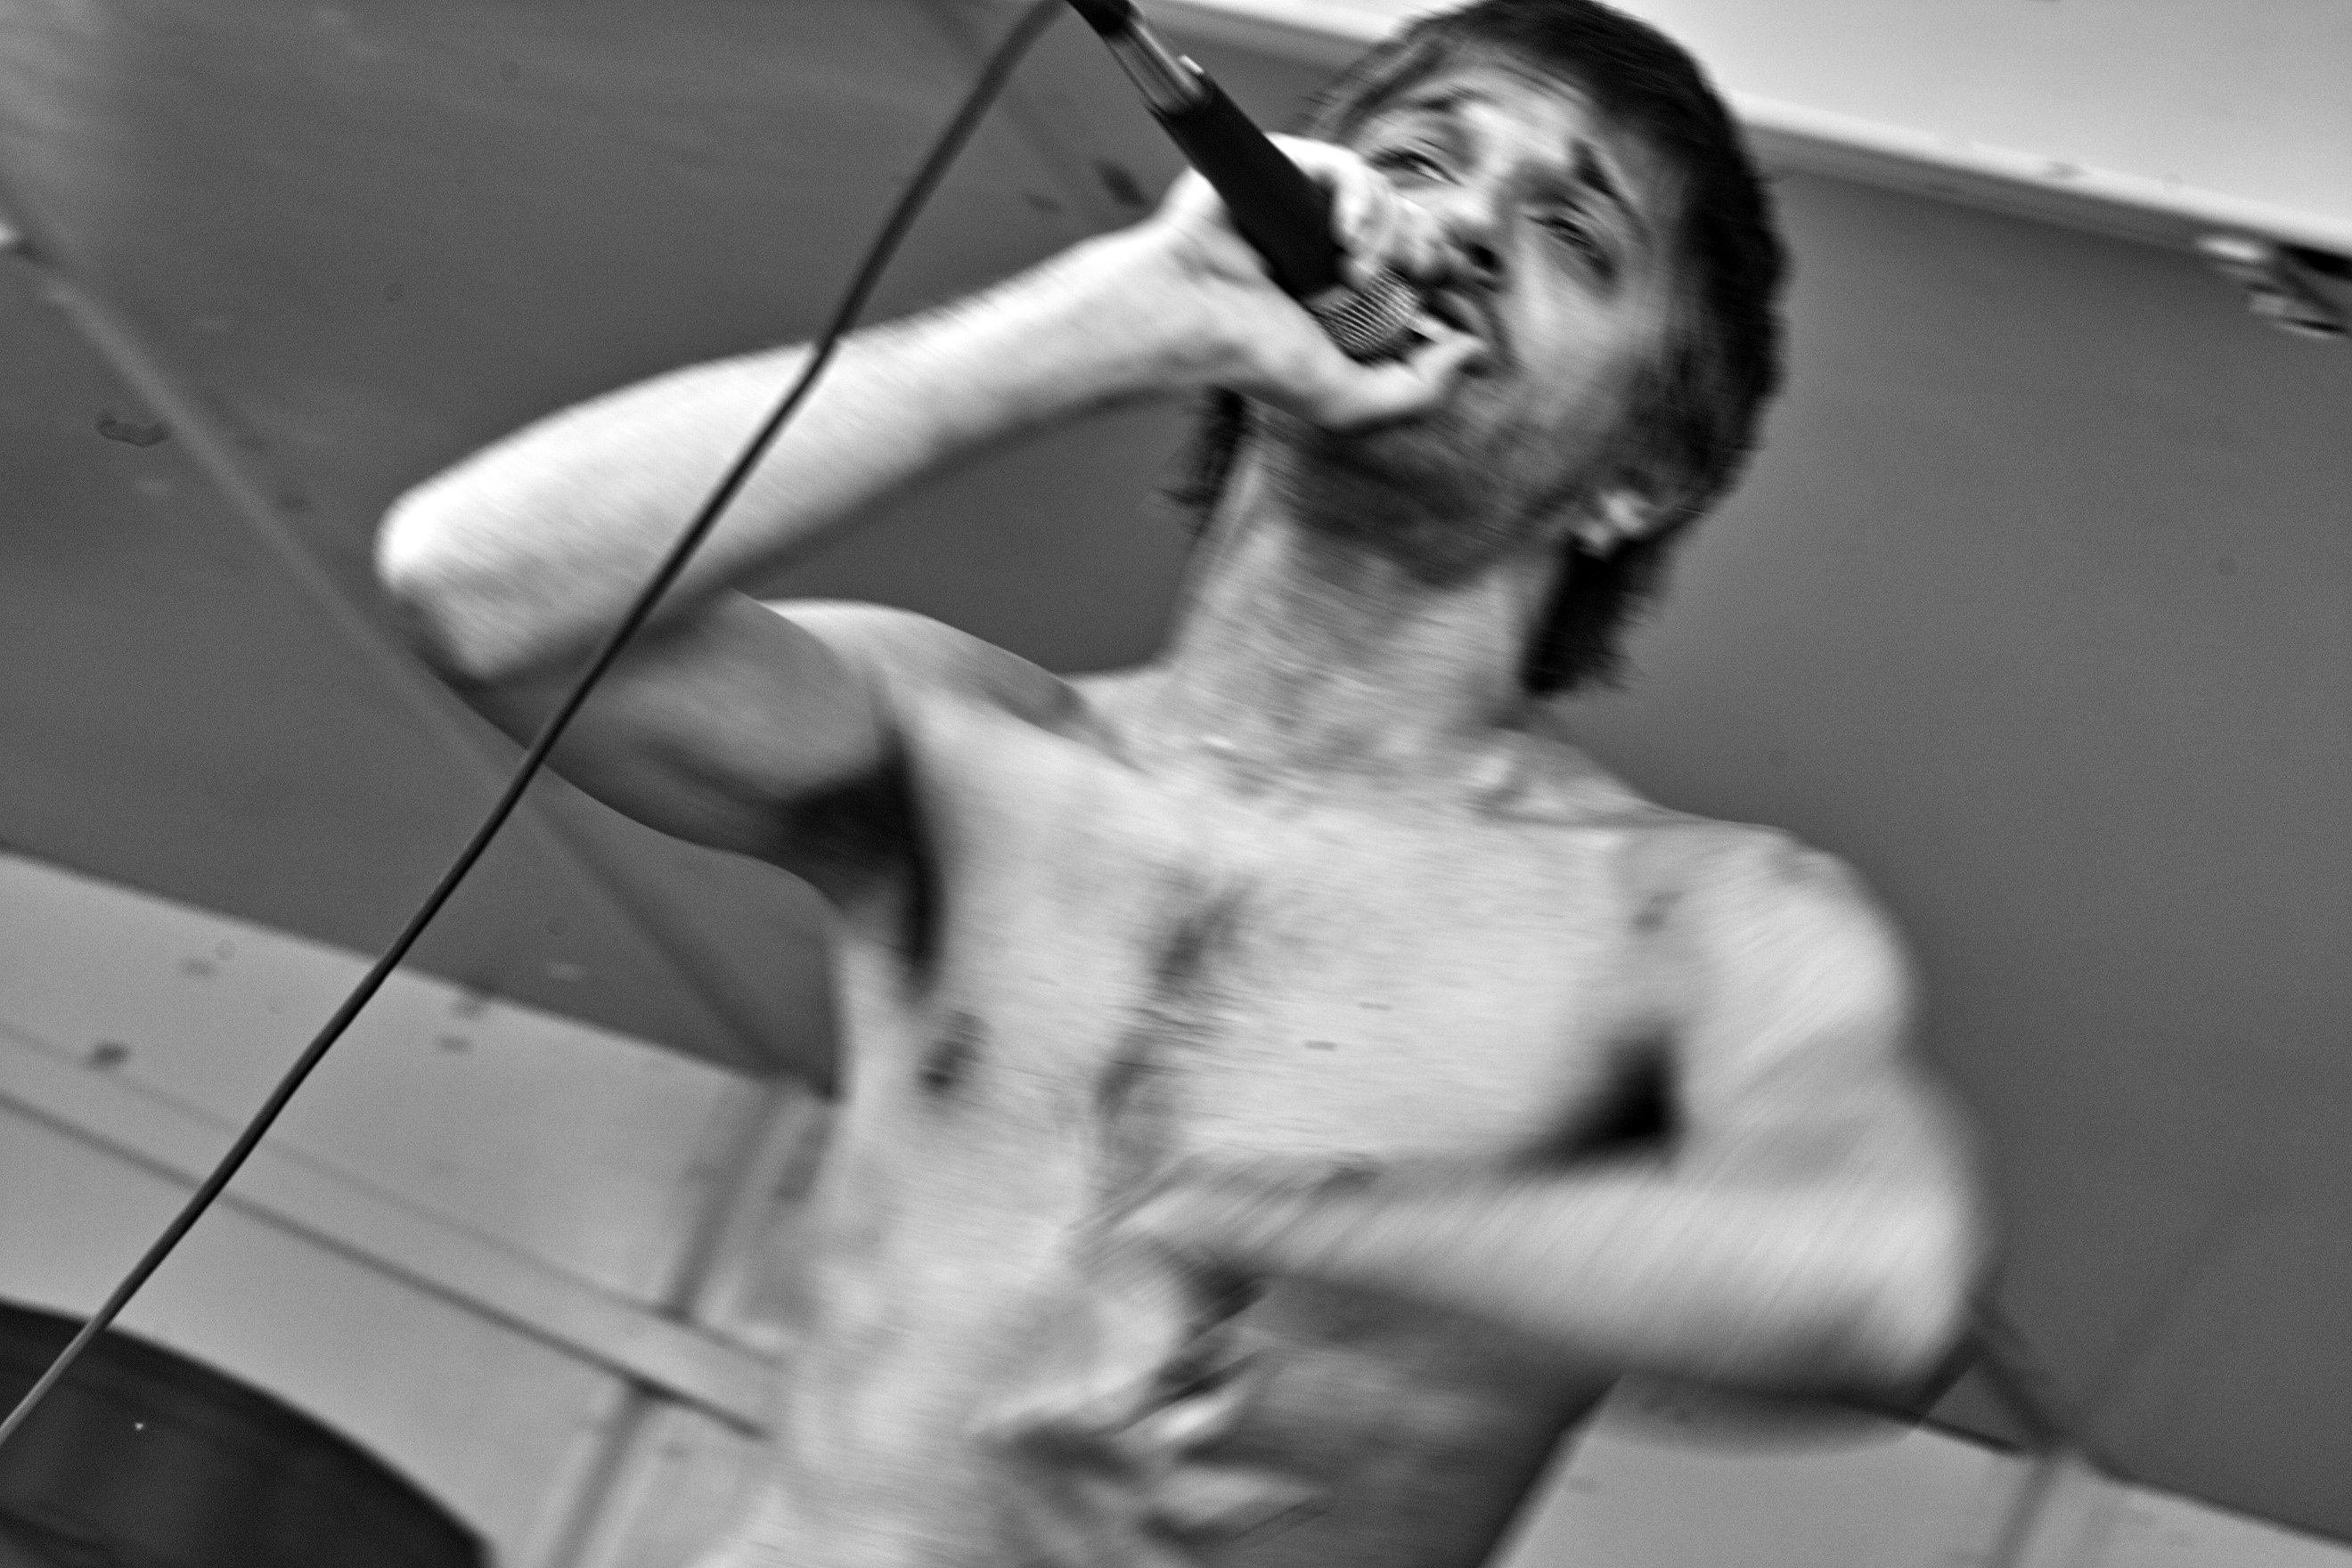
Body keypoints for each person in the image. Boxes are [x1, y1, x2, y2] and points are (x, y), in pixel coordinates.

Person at [376, 3, 1991, 1564]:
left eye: (1573, 234)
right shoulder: (965, 742)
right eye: (1418, 161)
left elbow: (1877, 1279)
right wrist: (1126, 313)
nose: (1461, 230)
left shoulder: (1687, 912)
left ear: (1643, 475)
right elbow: (481, 588)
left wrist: (1237, 1228)